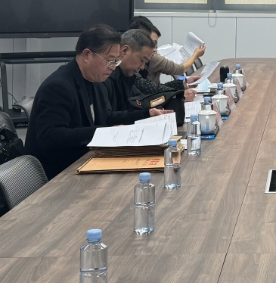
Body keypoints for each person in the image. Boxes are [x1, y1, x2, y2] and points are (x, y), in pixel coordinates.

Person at [23, 25, 121, 179]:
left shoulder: (95, 82)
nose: (113, 67)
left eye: (116, 61)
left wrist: (146, 114)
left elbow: (107, 118)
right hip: (58, 174)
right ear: (87, 55)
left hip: (83, 163)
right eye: (110, 61)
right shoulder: (58, 87)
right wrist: (103, 133)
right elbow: (50, 137)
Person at [104, 29, 181, 125]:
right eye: (142, 60)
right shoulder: (105, 77)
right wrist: (146, 114)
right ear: (124, 51)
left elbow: (143, 102)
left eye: (145, 62)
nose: (142, 67)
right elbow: (107, 118)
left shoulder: (128, 77)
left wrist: (150, 112)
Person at [129, 15, 205, 79]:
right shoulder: (153, 58)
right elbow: (180, 69)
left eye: (155, 45)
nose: (155, 50)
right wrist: (195, 55)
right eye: (151, 44)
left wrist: (182, 84)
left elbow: (157, 88)